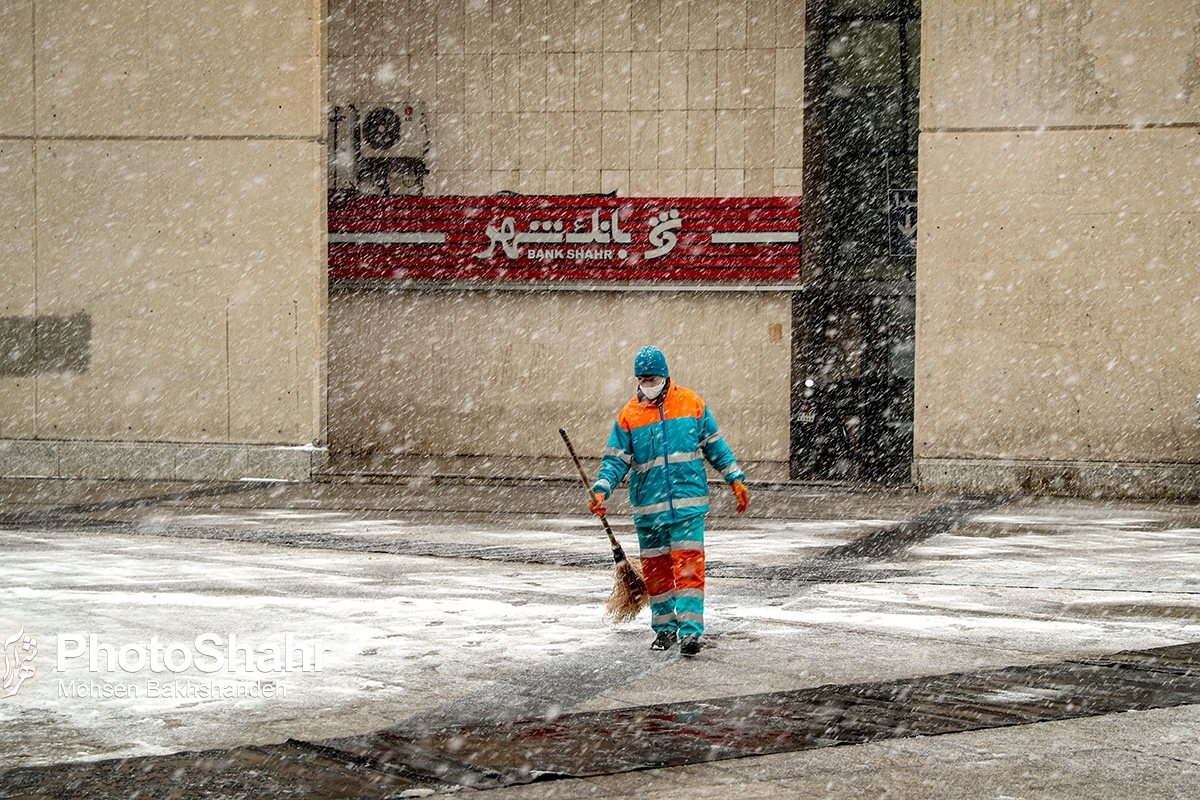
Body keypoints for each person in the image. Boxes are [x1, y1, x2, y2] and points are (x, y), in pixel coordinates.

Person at [588, 346, 750, 656]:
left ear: (665, 376)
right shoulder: (629, 415)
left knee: (688, 570)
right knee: (656, 574)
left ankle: (690, 633)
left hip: (687, 506)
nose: (646, 383)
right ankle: (664, 630)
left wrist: (735, 477)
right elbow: (615, 461)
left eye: (651, 378)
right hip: (648, 511)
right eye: (641, 379)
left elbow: (715, 446)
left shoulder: (691, 404)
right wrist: (601, 489)